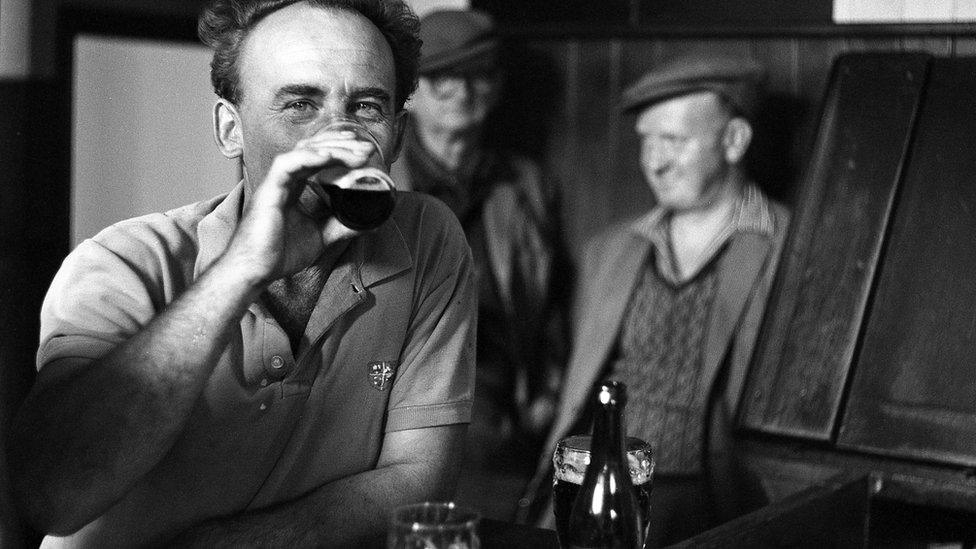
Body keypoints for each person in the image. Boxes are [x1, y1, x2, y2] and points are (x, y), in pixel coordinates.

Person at [6, 1, 475, 547]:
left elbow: (420, 478)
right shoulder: (122, 263)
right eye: (300, 104)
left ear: (394, 136)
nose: (338, 137)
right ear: (231, 128)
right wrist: (241, 271)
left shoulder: (426, 241)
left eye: (366, 106)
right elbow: (52, 497)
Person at [518, 54, 791, 546]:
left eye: (674, 141)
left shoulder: (791, 246)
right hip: (591, 488)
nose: (655, 161)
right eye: (646, 140)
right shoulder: (609, 251)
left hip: (713, 503)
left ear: (734, 141)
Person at [391, 9, 571, 517]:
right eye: (441, 76)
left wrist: (546, 391)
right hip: (394, 407)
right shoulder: (377, 177)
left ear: (496, 87)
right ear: (412, 91)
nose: (461, 91)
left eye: (477, 75)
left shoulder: (527, 184)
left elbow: (553, 295)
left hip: (495, 412)